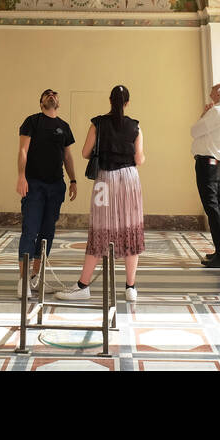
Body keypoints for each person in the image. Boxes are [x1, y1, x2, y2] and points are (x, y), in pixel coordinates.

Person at [56, 85, 145, 302]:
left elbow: (86, 152)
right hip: (129, 181)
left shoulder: (98, 123)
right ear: (127, 103)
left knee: (99, 228)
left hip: (104, 180)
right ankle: (130, 288)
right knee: (131, 229)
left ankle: (83, 285)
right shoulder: (135, 126)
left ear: (109, 100)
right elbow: (140, 159)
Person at [16, 89, 77, 295]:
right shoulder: (32, 121)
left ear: (57, 102)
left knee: (47, 233)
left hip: (56, 186)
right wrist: (21, 176)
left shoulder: (64, 127)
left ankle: (35, 276)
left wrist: (73, 180)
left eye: (55, 94)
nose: (51, 95)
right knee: (30, 231)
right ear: (41, 101)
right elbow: (23, 150)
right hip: (33, 184)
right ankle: (23, 281)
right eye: (47, 94)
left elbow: (68, 156)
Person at [191, 83, 220, 268]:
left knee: (212, 208)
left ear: (218, 94)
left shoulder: (217, 112)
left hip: (208, 163)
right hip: (216, 164)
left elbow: (194, 131)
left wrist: (204, 113)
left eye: (212, 91)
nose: (209, 94)